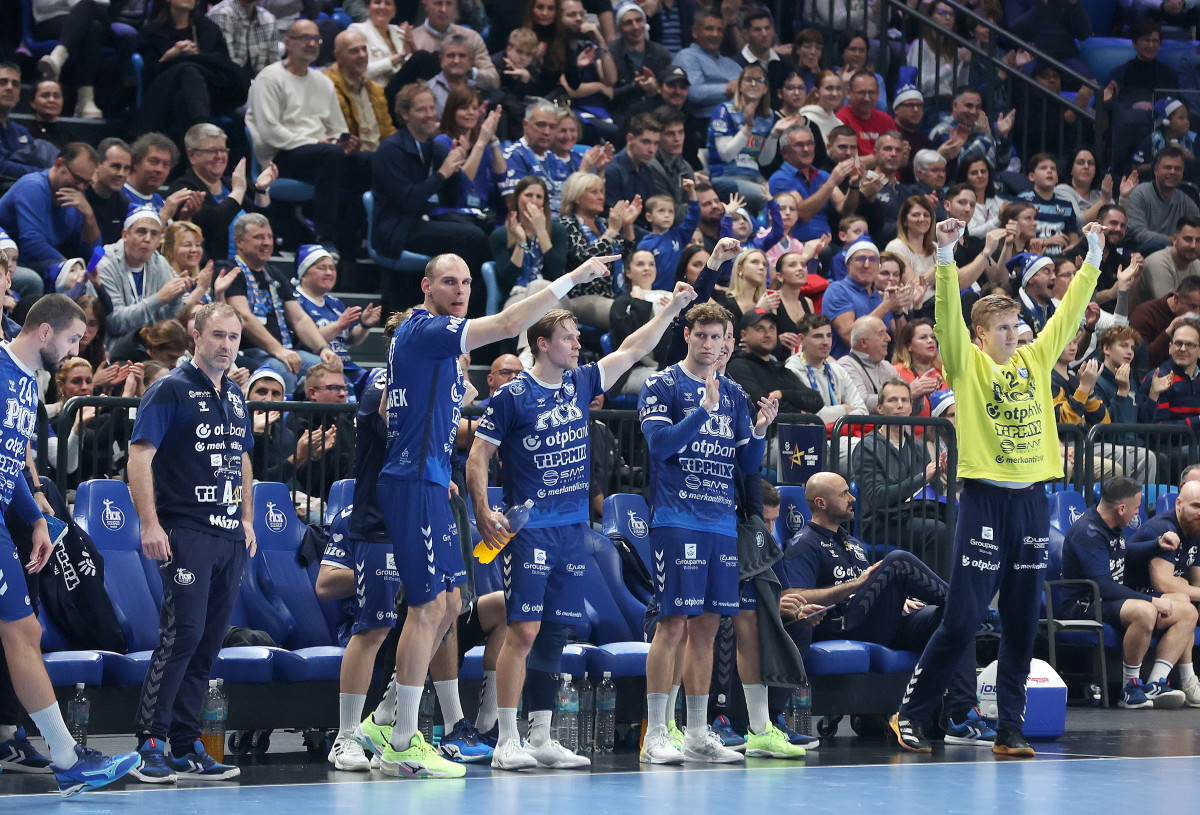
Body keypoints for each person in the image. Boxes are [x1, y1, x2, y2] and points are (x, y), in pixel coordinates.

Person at [375, 251, 617, 778]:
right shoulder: (425, 329)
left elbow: (392, 407)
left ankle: (386, 719)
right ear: (425, 286)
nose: (461, 290)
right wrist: (576, 277)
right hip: (413, 480)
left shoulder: (434, 347)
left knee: (448, 603)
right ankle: (401, 738)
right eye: (449, 281)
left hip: (431, 480)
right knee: (427, 607)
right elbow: (509, 323)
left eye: (467, 282)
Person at [889, 216, 1104, 757]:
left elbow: (1070, 313)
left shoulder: (1036, 359)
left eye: (1017, 326)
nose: (1014, 334)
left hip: (1031, 500)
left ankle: (1010, 728)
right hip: (985, 499)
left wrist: (1095, 257)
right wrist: (944, 254)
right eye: (1003, 328)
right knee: (963, 619)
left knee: (1022, 622)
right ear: (981, 336)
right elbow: (945, 317)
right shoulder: (967, 365)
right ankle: (909, 714)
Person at [470, 283, 697, 769]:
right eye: (569, 337)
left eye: (577, 336)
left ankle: (541, 737)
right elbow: (478, 456)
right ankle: (506, 739)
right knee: (523, 632)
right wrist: (483, 511)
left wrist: (673, 310)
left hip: (575, 532)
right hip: (530, 531)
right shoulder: (513, 396)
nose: (578, 344)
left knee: (555, 634)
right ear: (542, 344)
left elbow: (632, 348)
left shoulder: (581, 383)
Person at [0, 293, 142, 795]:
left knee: (24, 632)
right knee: (22, 632)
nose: (76, 349)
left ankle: (66, 758)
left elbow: (10, 461)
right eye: (73, 339)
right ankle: (65, 758)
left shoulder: (25, 382)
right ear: (45, 331)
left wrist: (36, 518)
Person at [638, 291, 780, 764]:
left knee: (709, 627)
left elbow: (747, 464)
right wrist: (702, 409)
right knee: (673, 623)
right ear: (687, 335)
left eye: (716, 337)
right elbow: (660, 446)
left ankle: (697, 732)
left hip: (721, 521)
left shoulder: (734, 394)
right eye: (700, 335)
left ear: (726, 343)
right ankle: (657, 733)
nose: (707, 343)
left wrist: (759, 431)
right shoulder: (661, 384)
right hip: (676, 519)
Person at [125, 302, 254, 783]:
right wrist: (149, 524)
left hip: (229, 535)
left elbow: (242, 457)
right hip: (185, 530)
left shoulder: (236, 396)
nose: (226, 345)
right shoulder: (169, 388)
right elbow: (140, 456)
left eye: (233, 337)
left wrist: (247, 519)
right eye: (217, 335)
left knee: (207, 643)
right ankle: (150, 742)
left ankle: (184, 743)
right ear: (196, 336)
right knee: (182, 635)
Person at [778, 471, 994, 744]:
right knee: (898, 561)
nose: (853, 498)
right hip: (841, 624)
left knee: (954, 618)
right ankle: (978, 609)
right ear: (821, 503)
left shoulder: (853, 543)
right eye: (844, 494)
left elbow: (870, 589)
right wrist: (856, 585)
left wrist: (894, 598)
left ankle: (962, 718)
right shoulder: (804, 543)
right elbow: (797, 597)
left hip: (878, 622)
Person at [1061, 477, 1199, 709]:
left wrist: (1157, 544)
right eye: (1136, 508)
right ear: (1121, 509)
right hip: (1083, 604)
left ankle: (1155, 683)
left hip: (1107, 602)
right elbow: (1103, 586)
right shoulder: (1088, 532)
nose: (1138, 513)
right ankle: (1130, 687)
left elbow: (1124, 552)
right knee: (1145, 611)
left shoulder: (1111, 525)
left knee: (1187, 611)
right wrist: (1152, 600)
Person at [246, 18, 370, 257]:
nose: (312, 43)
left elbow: (338, 127)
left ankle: (352, 239)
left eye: (315, 39)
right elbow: (270, 131)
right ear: (288, 43)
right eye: (305, 38)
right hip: (280, 157)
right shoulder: (269, 78)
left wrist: (344, 141)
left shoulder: (322, 81)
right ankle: (324, 237)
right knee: (329, 156)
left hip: (320, 153)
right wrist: (317, 143)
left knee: (369, 162)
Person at [372, 82, 492, 317]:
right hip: (396, 228)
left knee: (480, 232)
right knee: (472, 238)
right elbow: (407, 202)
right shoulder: (390, 150)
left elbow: (453, 197)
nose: (429, 114)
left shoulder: (431, 146)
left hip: (420, 221)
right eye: (422, 109)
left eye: (431, 108)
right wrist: (442, 173)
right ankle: (463, 314)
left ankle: (453, 310)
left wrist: (454, 166)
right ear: (405, 114)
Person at [222, 213, 343, 393]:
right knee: (283, 370)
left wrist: (324, 348)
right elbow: (244, 318)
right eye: (258, 237)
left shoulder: (274, 274)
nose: (266, 243)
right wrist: (279, 351)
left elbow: (299, 318)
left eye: (269, 237)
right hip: (246, 352)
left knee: (327, 369)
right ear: (239, 242)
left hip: (282, 350)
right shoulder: (230, 270)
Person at [854, 378, 949, 557]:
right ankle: (933, 577)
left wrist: (936, 477)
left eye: (905, 400)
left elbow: (931, 493)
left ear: (911, 407)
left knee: (956, 522)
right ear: (880, 408)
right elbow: (877, 498)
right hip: (881, 522)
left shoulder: (919, 446)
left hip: (913, 514)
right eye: (893, 400)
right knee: (938, 530)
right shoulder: (868, 446)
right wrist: (922, 477)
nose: (900, 405)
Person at [135, 0, 249, 141]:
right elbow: (149, 74)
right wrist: (170, 56)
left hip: (210, 93)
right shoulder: (152, 31)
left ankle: (200, 139)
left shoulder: (208, 28)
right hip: (165, 93)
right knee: (186, 80)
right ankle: (203, 133)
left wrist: (197, 57)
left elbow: (222, 64)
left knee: (187, 81)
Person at [96, 205, 203, 342]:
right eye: (141, 232)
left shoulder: (159, 263)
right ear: (125, 235)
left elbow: (167, 321)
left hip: (152, 346)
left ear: (159, 241)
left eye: (154, 234)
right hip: (114, 346)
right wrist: (158, 299)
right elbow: (115, 323)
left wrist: (175, 298)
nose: (147, 239)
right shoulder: (106, 264)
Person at [0, 143, 99, 276]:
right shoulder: (32, 186)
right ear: (59, 164)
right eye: (77, 179)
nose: (81, 187)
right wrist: (70, 267)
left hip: (38, 263)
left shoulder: (75, 196)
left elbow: (90, 253)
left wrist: (89, 216)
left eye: (87, 183)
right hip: (10, 261)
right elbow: (32, 244)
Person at [559, 171, 637, 330]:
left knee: (646, 310)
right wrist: (612, 232)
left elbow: (626, 253)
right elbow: (584, 258)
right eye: (594, 192)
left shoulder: (603, 224)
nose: (601, 196)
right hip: (581, 296)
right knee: (626, 315)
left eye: (602, 191)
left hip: (613, 295)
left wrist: (627, 225)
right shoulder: (567, 224)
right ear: (577, 197)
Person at [293, 245, 380, 384]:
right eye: (322, 268)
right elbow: (304, 342)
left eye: (332, 268)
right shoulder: (295, 301)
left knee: (377, 383)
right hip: (317, 366)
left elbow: (350, 340)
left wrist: (365, 325)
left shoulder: (334, 303)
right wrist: (338, 326)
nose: (329, 273)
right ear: (303, 273)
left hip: (346, 365)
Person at [706, 64, 786, 209]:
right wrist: (748, 127)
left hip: (754, 176)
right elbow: (726, 155)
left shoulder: (768, 117)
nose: (754, 84)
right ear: (740, 86)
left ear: (765, 88)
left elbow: (764, 161)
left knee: (786, 198)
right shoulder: (724, 111)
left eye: (759, 80)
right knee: (770, 201)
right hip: (727, 177)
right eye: (749, 79)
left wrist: (775, 134)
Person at [725, 306, 822, 415]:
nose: (768, 334)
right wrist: (799, 412)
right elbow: (760, 403)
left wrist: (782, 394)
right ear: (744, 334)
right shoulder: (738, 366)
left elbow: (817, 400)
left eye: (772, 328)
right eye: (760, 329)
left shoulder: (779, 368)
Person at [768, 125, 857, 243]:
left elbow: (845, 210)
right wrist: (831, 182)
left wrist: (854, 185)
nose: (806, 149)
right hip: (796, 245)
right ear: (784, 152)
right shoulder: (780, 178)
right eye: (799, 145)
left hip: (826, 244)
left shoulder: (822, 176)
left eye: (810, 144)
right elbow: (802, 213)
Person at [821, 237, 898, 358]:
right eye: (860, 259)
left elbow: (900, 340)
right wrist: (886, 306)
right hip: (845, 365)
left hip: (879, 365)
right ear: (848, 264)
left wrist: (899, 309)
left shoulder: (880, 296)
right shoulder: (838, 290)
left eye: (873, 260)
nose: (866, 265)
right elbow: (850, 337)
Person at [1127, 481, 1200, 609]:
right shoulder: (1163, 530)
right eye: (1196, 506)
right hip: (1135, 593)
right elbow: (1164, 584)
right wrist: (1180, 583)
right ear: (1179, 504)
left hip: (1162, 595)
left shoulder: (1194, 527)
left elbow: (1197, 582)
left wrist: (1182, 584)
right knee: (1184, 604)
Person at [784, 312, 866, 425]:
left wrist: (831, 418)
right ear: (801, 339)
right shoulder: (791, 371)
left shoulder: (838, 370)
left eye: (829, 335)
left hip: (839, 435)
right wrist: (844, 410)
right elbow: (811, 418)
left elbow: (863, 412)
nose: (826, 342)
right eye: (818, 336)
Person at [327, 29, 398, 156]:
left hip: (380, 156)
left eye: (364, 49)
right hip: (350, 158)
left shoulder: (376, 89)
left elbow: (387, 131)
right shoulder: (328, 87)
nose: (362, 55)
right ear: (338, 56)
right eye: (354, 51)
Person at [502, 99, 573, 216]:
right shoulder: (513, 156)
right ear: (525, 124)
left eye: (552, 127)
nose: (547, 132)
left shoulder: (555, 158)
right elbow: (514, 204)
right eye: (541, 125)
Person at [1126, 147, 1200, 255]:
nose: (1172, 172)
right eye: (1167, 167)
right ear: (1156, 170)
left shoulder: (1186, 201)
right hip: (1142, 254)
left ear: (1182, 173)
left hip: (1175, 255)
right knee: (1160, 244)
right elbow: (1137, 233)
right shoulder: (1140, 194)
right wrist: (1172, 240)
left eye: (1177, 169)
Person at [671, 7, 741, 121]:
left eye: (720, 30)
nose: (715, 34)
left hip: (740, 119)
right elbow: (693, 93)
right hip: (706, 121)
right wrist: (727, 88)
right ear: (695, 31)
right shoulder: (687, 56)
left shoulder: (731, 63)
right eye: (709, 29)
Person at [410, 0, 499, 88]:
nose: (443, 9)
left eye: (449, 4)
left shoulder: (472, 37)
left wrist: (468, 71)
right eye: (438, 3)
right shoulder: (412, 39)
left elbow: (494, 80)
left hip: (466, 94)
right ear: (425, 5)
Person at [928, 87, 1014, 172]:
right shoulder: (942, 131)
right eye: (969, 106)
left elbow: (1000, 165)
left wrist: (1003, 138)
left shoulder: (979, 128)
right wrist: (986, 137)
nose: (973, 111)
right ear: (954, 105)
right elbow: (961, 167)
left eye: (978, 107)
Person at [1138, 317, 1200, 431]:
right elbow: (1158, 432)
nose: (1183, 349)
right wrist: (1197, 422)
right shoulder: (1159, 377)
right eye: (1178, 343)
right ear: (1170, 348)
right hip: (1172, 443)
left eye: (1190, 344)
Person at [639, 180, 701, 290]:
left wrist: (692, 192)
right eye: (661, 211)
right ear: (649, 217)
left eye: (671, 211)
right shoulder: (645, 244)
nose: (667, 215)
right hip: (652, 292)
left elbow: (694, 218)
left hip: (675, 292)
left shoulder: (678, 236)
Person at [1016, 153, 1080, 258]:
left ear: (1057, 178)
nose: (1049, 171)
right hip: (1031, 258)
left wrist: (1071, 248)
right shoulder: (1021, 201)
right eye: (1043, 168)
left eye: (1053, 169)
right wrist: (1046, 242)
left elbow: (1074, 240)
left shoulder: (1066, 205)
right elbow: (1017, 240)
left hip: (1060, 259)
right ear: (1032, 176)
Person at [1129, 275, 1200, 369]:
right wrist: (1167, 333)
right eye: (1193, 306)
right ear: (1176, 299)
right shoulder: (1144, 315)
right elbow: (1139, 362)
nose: (1197, 313)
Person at [839, 315, 899, 412]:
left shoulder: (887, 366)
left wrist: (918, 394)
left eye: (886, 332)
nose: (888, 338)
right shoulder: (845, 365)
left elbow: (910, 410)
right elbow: (861, 403)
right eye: (881, 334)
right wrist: (902, 395)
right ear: (863, 342)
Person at [207, 0, 277, 79]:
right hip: (228, 81)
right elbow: (226, 65)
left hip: (260, 82)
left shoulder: (268, 18)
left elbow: (274, 65)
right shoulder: (222, 14)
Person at [84, 138, 134, 249]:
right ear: (97, 164)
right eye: (115, 166)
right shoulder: (80, 196)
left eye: (126, 168)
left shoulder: (124, 205)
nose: (121, 173)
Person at [835, 71, 896, 160]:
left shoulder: (886, 120)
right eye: (861, 93)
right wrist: (883, 157)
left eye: (871, 93)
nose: (867, 98)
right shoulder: (839, 121)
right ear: (848, 93)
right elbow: (848, 162)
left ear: (878, 93)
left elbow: (900, 155)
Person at [1140, 215, 1200, 304]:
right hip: (1156, 312)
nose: (1193, 246)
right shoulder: (1158, 263)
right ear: (1175, 239)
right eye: (1188, 239)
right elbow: (1169, 306)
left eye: (1198, 240)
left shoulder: (1197, 264)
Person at [893, 317, 945, 418]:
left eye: (932, 337)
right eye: (923, 337)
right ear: (909, 346)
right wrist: (909, 392)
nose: (930, 341)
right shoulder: (897, 372)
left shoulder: (945, 370)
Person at [607, 114, 662, 207]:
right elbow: (612, 212)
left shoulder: (648, 170)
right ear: (630, 139)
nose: (652, 150)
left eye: (656, 143)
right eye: (646, 142)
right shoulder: (611, 171)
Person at [0, 63, 41, 181]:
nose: (9, 88)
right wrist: (47, 173)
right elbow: (1, 168)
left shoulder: (21, 131)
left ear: (19, 95)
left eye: (15, 84)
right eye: (3, 82)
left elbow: (36, 159)